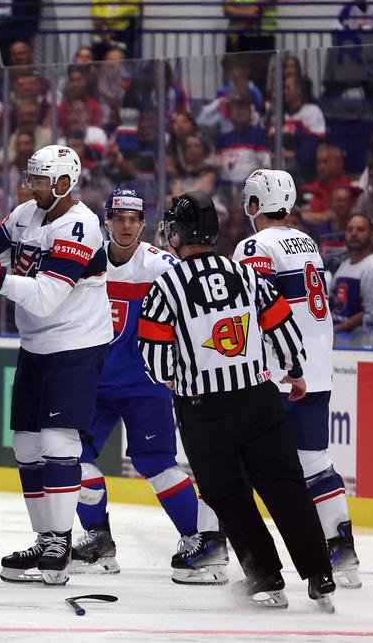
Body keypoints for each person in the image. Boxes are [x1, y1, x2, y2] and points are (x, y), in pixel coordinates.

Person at [139, 191, 336, 611]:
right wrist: (295, 374)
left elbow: (155, 358)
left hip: (204, 410)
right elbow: (284, 326)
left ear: (175, 234)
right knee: (286, 488)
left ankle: (265, 578)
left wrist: (176, 380)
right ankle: (320, 573)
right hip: (260, 399)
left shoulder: (167, 285)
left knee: (228, 496)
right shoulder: (245, 274)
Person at [0, 145, 112, 586]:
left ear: (65, 184)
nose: (33, 186)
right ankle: (45, 537)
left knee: (58, 441)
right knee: (25, 444)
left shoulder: (81, 226)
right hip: (36, 342)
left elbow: (45, 296)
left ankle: (61, 541)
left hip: (75, 344)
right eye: (32, 179)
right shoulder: (26, 213)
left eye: (42, 181)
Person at [70, 189, 229, 585]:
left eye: (133, 219)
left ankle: (202, 543)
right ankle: (99, 542)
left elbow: (193, 313)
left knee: (155, 464)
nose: (126, 225)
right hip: (93, 383)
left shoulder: (162, 266)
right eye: (119, 218)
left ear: (144, 224)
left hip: (146, 383)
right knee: (69, 457)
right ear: (106, 221)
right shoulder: (84, 260)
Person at [234, 170, 360, 589]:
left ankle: (219, 547)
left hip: (278, 370)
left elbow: (255, 306)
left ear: (254, 204)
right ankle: (343, 550)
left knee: (233, 460)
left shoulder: (255, 245)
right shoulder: (306, 241)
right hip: (318, 365)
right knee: (314, 461)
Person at [331, 214, 373, 346]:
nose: (353, 233)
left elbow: (371, 315)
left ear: (371, 236)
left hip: (357, 340)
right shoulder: (344, 265)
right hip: (337, 335)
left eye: (360, 230)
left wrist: (335, 330)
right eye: (350, 229)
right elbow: (335, 305)